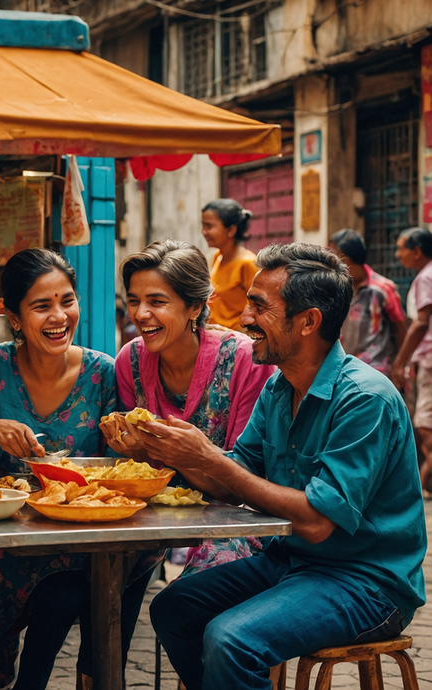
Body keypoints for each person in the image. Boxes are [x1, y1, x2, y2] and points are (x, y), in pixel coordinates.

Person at [130, 243, 426, 690]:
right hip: (294, 562)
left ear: (308, 321)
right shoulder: (279, 388)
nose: (244, 318)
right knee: (174, 607)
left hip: (368, 583)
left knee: (231, 640)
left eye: (259, 306)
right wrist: (174, 454)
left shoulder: (366, 399)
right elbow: (237, 477)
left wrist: (210, 459)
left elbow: (317, 522)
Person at [0, 248, 144, 690]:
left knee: (67, 589)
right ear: (13, 317)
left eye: (67, 301)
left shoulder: (103, 372)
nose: (59, 316)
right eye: (41, 305)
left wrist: (131, 444)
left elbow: (120, 466)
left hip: (76, 539)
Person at [101, 240, 274, 574]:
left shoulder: (244, 360)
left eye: (157, 301)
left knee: (194, 590)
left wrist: (180, 454)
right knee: (102, 567)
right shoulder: (130, 360)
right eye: (134, 301)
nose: (139, 314)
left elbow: (244, 483)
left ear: (195, 307)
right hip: (152, 513)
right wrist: (132, 451)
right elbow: (135, 471)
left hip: (232, 521)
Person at [329, 228, 406, 378]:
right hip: (344, 369)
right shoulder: (336, 290)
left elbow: (400, 328)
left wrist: (400, 364)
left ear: (345, 258)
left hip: (376, 370)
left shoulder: (382, 289)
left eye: (334, 254)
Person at [392, 227, 432, 497]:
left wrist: (400, 361)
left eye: (402, 248)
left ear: (417, 251)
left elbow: (420, 323)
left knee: (424, 423)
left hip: (429, 360)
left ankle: (417, 484)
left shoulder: (425, 277)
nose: (398, 255)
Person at [202, 198, 257, 331]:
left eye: (209, 226)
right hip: (214, 336)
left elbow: (258, 308)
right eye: (203, 226)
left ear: (231, 230)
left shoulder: (248, 263)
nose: (204, 232)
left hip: (235, 340)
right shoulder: (217, 257)